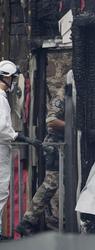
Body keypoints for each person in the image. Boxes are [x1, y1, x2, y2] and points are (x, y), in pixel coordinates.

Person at [16, 86, 65, 236]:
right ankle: (27, 221)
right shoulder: (60, 99)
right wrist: (72, 127)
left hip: (64, 148)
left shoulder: (78, 99)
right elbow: (51, 121)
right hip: (55, 147)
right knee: (50, 184)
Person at [0, 60, 41, 240]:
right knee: (0, 192)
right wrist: (20, 137)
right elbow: (1, 128)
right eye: (13, 78)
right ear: (7, 77)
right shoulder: (0, 98)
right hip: (0, 151)